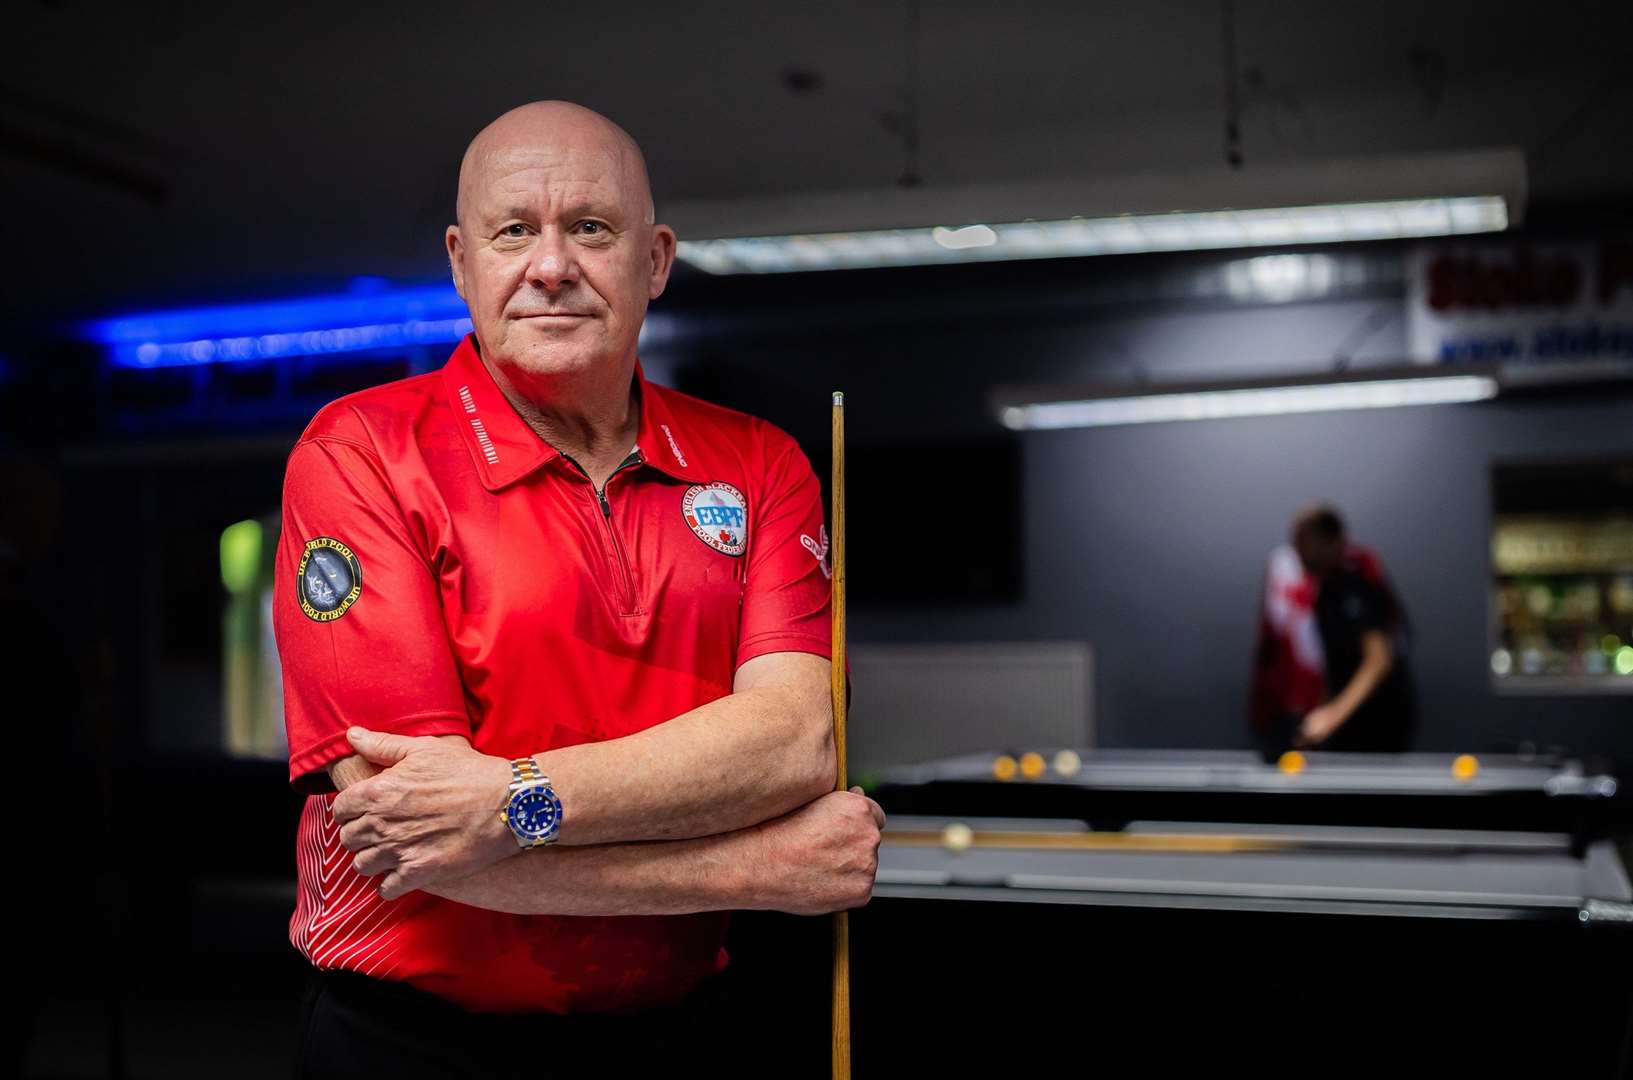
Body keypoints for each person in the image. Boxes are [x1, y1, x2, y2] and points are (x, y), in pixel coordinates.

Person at [273, 101, 883, 1078]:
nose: (550, 265)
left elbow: (799, 740)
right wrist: (753, 870)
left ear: (654, 261)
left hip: (676, 1035)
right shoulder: (360, 454)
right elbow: (413, 833)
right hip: (413, 1043)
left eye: (590, 228)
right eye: (513, 230)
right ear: (461, 262)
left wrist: (511, 801)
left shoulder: (758, 462)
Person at [1281, 504, 1417, 752]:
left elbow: (1379, 659)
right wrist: (1321, 712)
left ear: (1329, 539)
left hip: (1379, 724)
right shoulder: (1325, 591)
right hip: (1350, 726)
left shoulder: (1356, 581)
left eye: (1303, 539)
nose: (1296, 549)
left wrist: (1332, 716)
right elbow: (1337, 664)